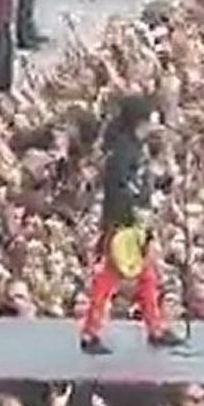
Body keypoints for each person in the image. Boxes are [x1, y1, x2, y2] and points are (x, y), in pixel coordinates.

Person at [80, 95, 183, 354]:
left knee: (147, 276)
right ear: (141, 120)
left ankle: (155, 328)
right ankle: (91, 332)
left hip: (137, 222)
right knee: (110, 277)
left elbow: (141, 183)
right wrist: (133, 215)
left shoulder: (137, 148)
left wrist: (162, 183)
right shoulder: (123, 152)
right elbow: (119, 190)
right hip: (123, 223)